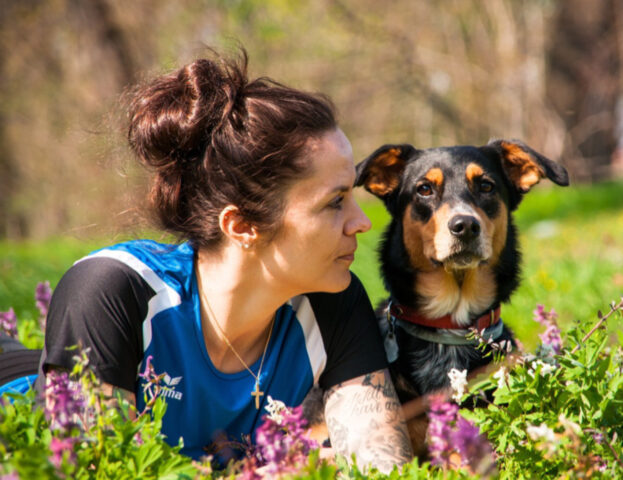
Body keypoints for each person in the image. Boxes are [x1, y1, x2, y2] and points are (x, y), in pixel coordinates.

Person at [35, 49, 413, 471]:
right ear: (243, 225)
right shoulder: (111, 291)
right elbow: (89, 469)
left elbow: (383, 469)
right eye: (335, 202)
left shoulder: (332, 302)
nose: (362, 223)